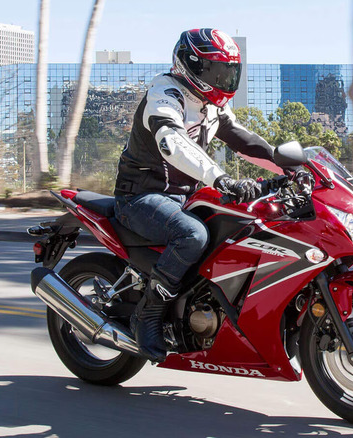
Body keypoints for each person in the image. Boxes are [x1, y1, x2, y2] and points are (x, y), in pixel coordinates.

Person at [114, 28, 281, 361]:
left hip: (185, 196)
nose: (224, 80)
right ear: (190, 66)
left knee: (246, 223)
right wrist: (220, 179)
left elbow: (243, 140)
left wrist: (287, 165)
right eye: (216, 71)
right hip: (142, 197)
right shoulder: (165, 94)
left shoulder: (210, 105)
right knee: (193, 235)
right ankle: (147, 314)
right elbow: (172, 143)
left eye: (229, 72)